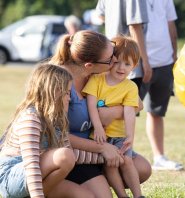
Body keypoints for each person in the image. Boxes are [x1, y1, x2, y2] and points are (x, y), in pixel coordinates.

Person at [49, 30, 151, 198]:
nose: (115, 63)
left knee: (142, 168)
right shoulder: (60, 82)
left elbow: (138, 105)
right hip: (70, 153)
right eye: (111, 60)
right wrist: (103, 147)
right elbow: (57, 134)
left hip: (95, 147)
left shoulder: (95, 74)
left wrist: (113, 112)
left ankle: (96, 178)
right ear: (90, 64)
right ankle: (64, 185)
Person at [0, 63, 76, 197]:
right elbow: (32, 164)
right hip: (12, 176)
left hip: (35, 175)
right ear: (54, 92)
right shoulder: (31, 118)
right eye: (67, 93)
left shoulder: (57, 119)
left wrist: (106, 156)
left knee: (85, 194)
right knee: (65, 156)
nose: (69, 98)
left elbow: (72, 153)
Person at [83, 36, 144, 198]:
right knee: (110, 165)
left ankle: (139, 196)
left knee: (127, 161)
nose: (121, 68)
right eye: (117, 62)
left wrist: (130, 136)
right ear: (110, 61)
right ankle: (121, 195)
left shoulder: (130, 87)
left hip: (119, 135)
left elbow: (130, 111)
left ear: (134, 66)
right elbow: (91, 106)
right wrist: (97, 128)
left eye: (127, 64)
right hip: (99, 136)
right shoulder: (97, 79)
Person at [143, 0, 182, 171]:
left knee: (157, 112)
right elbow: (102, 15)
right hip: (135, 62)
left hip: (164, 61)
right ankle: (123, 154)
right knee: (124, 112)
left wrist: (174, 54)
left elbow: (170, 23)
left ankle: (159, 157)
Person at [96, 0, 152, 89]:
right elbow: (135, 26)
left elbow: (100, 14)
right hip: (129, 59)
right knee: (131, 100)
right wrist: (145, 61)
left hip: (111, 55)